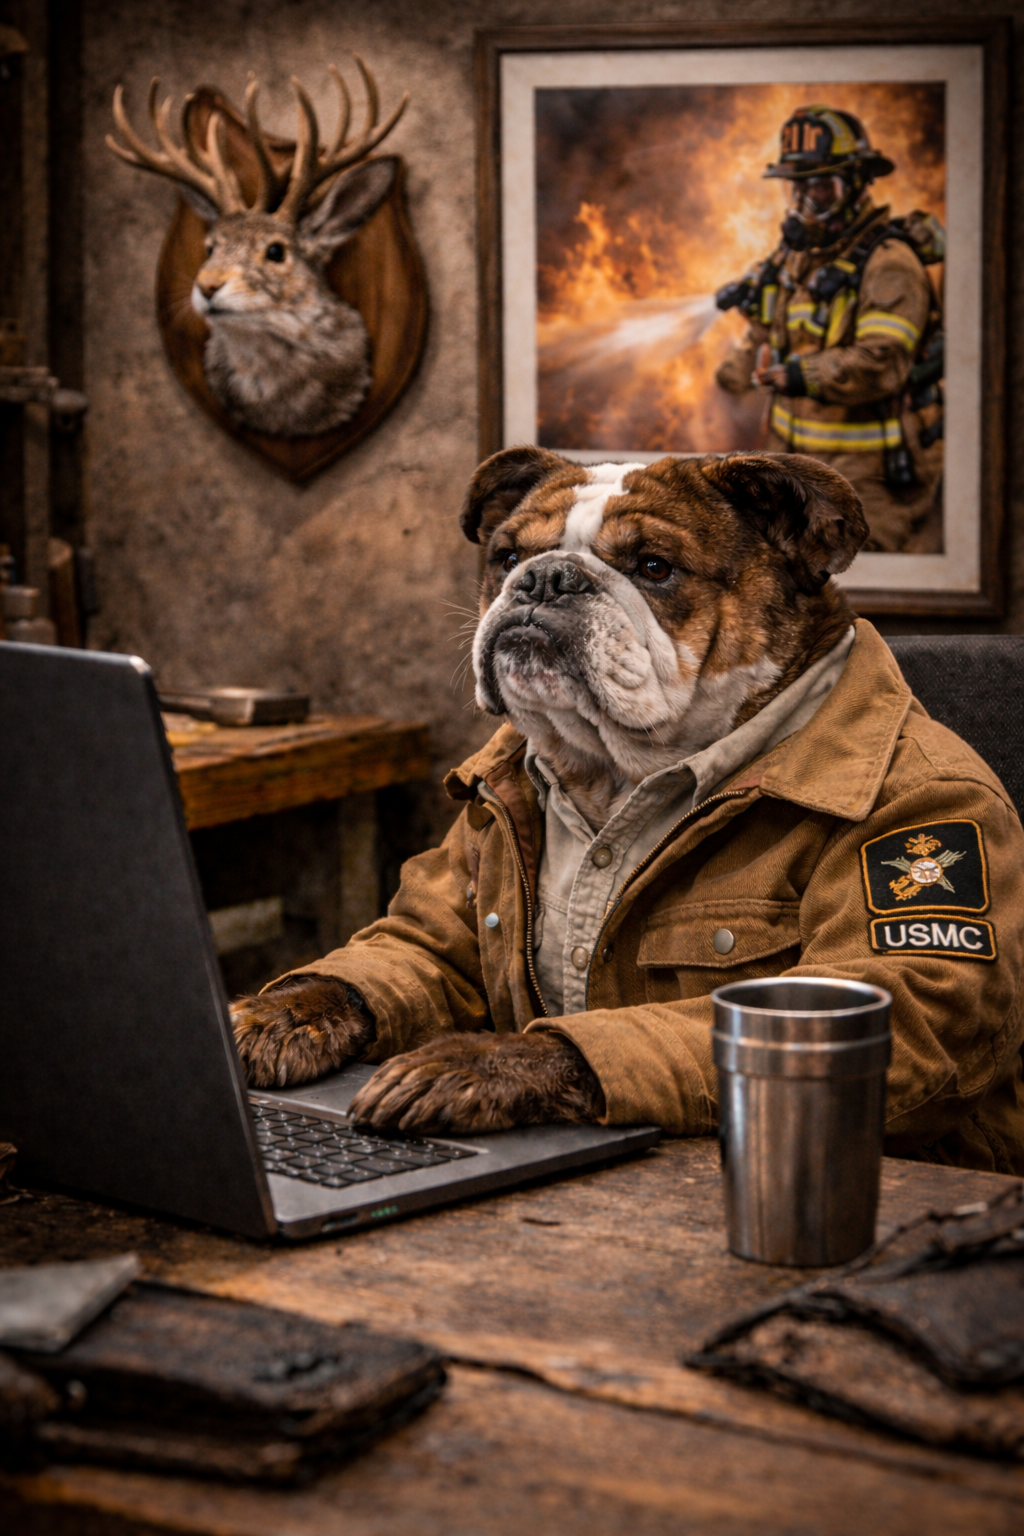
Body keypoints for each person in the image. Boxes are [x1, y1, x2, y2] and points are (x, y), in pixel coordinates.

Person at [715, 105, 944, 553]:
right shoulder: (796, 258)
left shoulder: (889, 264)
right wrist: (738, 365)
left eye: (820, 186)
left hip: (867, 476)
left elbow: (883, 361)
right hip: (787, 467)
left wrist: (802, 374)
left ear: (856, 183)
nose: (805, 203)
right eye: (796, 188)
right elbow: (767, 322)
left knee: (855, 580)